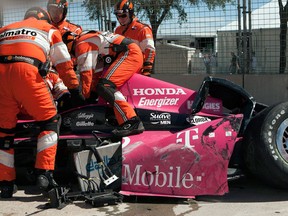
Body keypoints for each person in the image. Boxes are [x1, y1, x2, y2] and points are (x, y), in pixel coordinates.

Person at [0, 7, 84, 198]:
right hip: (28, 73)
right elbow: (63, 62)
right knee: (49, 121)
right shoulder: (49, 29)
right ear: (46, 19)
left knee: (4, 133)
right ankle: (44, 174)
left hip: (1, 77)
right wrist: (75, 89)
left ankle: (5, 184)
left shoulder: (5, 29)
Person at [62, 30, 145, 137]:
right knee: (101, 86)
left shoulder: (81, 44)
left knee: (105, 86)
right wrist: (90, 96)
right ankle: (116, 117)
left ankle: (132, 120)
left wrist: (82, 99)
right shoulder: (87, 40)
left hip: (129, 53)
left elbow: (86, 73)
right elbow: (95, 75)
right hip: (130, 52)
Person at [114, 0, 155, 77]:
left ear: (130, 13)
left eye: (124, 15)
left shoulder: (142, 29)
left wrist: (147, 70)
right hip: (122, 68)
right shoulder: (117, 30)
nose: (121, 18)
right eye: (118, 16)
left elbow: (150, 49)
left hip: (137, 70)